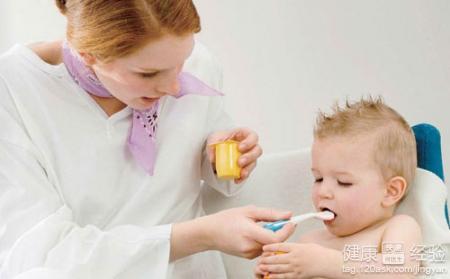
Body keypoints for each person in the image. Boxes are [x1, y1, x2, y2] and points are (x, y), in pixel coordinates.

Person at [0, 1, 296, 278]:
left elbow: (207, 154)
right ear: (87, 53)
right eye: (148, 74)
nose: (175, 86)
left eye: (183, 62)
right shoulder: (14, 92)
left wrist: (221, 158)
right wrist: (201, 235)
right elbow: (43, 255)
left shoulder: (193, 63)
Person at [255, 97, 422, 278]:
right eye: (318, 179)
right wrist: (275, 272)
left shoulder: (397, 227)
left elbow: (400, 272)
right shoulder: (310, 242)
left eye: (343, 182)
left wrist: (326, 263)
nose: (323, 192)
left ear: (391, 191)